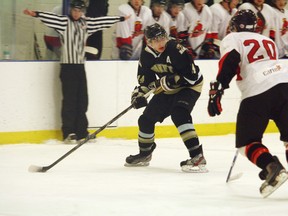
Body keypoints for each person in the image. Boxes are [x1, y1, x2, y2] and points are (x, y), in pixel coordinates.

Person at [207, 9, 288, 197]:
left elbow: (231, 60)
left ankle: (272, 167)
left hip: (257, 91)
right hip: (285, 83)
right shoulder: (268, 41)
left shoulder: (232, 38)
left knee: (247, 142)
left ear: (234, 25)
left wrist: (217, 90)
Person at [23, 0, 129, 144]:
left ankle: (82, 132)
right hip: (67, 67)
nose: (77, 13)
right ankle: (68, 132)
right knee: (70, 101)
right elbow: (50, 18)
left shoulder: (86, 24)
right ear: (71, 10)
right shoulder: (64, 22)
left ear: (83, 11)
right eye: (74, 10)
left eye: (79, 10)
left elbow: (102, 22)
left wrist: (120, 19)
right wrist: (35, 14)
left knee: (82, 100)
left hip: (80, 67)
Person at [125, 23, 207, 173]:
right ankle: (145, 154)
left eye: (163, 38)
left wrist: (170, 80)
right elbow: (147, 82)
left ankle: (197, 157)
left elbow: (192, 77)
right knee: (145, 120)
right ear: (148, 42)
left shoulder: (176, 50)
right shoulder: (146, 55)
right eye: (156, 40)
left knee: (179, 114)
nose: (161, 42)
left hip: (189, 87)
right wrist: (139, 95)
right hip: (169, 89)